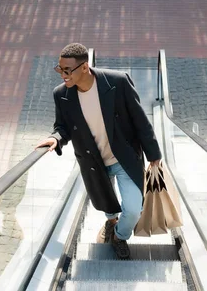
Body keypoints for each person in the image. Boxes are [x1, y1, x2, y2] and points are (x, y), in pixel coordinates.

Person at [36, 43, 162, 259]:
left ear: (84, 67)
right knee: (107, 203)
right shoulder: (62, 95)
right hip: (94, 161)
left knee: (133, 209)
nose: (63, 75)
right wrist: (55, 138)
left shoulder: (117, 82)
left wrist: (154, 155)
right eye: (60, 69)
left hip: (123, 158)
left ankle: (119, 236)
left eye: (67, 70)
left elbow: (139, 119)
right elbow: (62, 127)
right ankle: (111, 222)